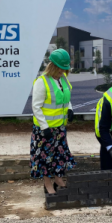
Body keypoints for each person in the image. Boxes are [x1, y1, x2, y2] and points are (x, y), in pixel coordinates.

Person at [30, 48, 76, 194]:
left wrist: (70, 108)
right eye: (60, 69)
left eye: (64, 69)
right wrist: (44, 127)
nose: (62, 72)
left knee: (59, 156)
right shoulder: (41, 82)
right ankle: (47, 184)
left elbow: (65, 99)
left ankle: (58, 178)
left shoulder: (63, 80)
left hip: (59, 128)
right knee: (45, 158)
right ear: (53, 66)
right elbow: (36, 107)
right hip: (45, 130)